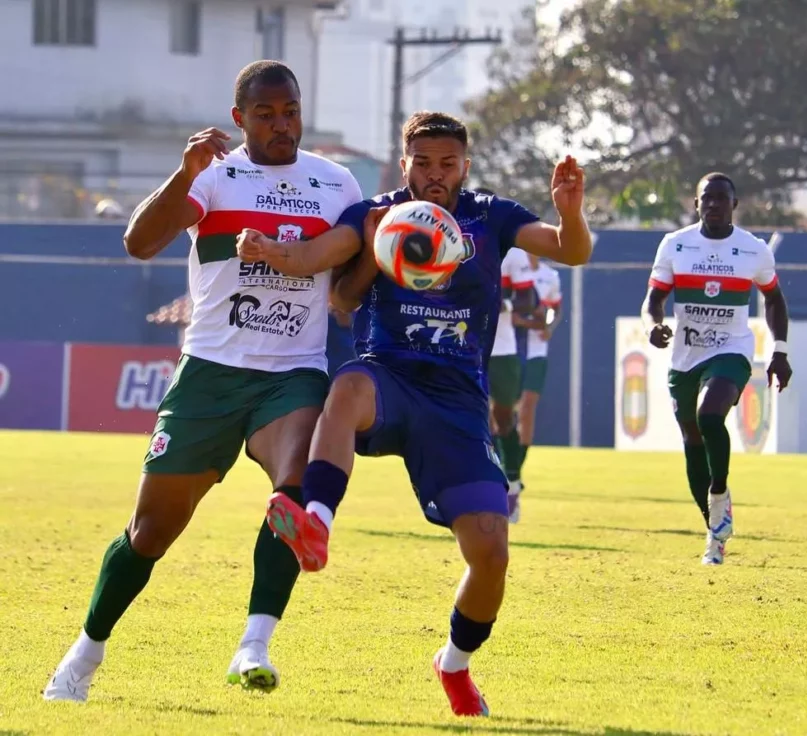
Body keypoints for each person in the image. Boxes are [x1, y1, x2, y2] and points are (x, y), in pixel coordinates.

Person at [233, 111, 592, 716]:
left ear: (465, 167)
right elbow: (335, 289)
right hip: (390, 377)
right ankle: (316, 522)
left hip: (458, 402)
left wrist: (570, 211)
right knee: (347, 385)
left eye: (447, 163)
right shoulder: (377, 215)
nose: (435, 175)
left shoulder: (490, 216)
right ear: (404, 165)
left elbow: (570, 251)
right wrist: (272, 250)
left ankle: (454, 663)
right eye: (422, 163)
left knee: (491, 555)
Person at [43, 61, 364, 702]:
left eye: (291, 112)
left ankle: (254, 644)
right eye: (266, 115)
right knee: (150, 533)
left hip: (293, 373)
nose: (282, 125)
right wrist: (184, 173)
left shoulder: (337, 182)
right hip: (210, 374)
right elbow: (139, 243)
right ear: (240, 118)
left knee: (296, 490)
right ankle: (85, 653)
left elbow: (352, 274)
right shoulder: (214, 175)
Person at [640, 172, 792, 566]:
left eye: (721, 198)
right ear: (696, 204)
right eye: (706, 198)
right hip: (685, 356)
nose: (713, 204)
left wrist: (779, 350)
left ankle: (720, 493)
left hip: (732, 350)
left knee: (709, 415)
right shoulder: (675, 244)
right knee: (691, 437)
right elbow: (653, 299)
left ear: (734, 204)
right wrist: (652, 325)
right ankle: (714, 531)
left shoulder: (753, 249)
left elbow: (774, 299)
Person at [505, 253, 563, 522]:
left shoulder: (550, 276)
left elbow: (555, 309)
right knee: (503, 412)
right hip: (509, 350)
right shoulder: (507, 267)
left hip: (536, 352)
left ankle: (516, 469)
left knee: (527, 408)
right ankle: (509, 472)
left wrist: (549, 325)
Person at [488, 247, 537, 516]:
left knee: (504, 419)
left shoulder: (514, 254)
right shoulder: (453, 238)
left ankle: (513, 485)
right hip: (464, 346)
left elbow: (528, 300)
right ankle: (481, 486)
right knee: (471, 418)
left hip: (502, 350)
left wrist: (503, 305)